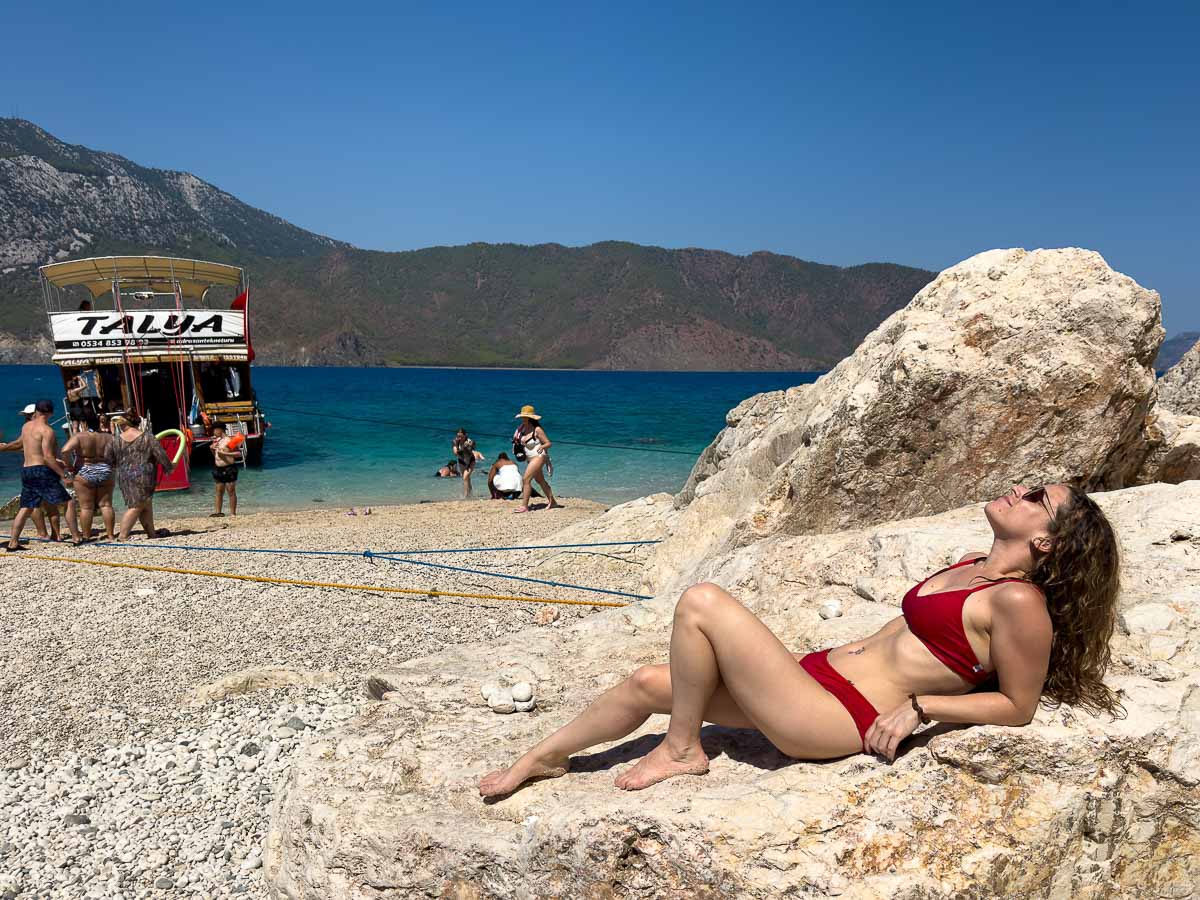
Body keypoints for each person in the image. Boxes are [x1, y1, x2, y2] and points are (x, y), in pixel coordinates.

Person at [479, 483, 1122, 798]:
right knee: (650, 682)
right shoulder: (968, 565)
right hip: (815, 679)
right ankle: (542, 758)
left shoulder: (1017, 601)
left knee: (703, 601)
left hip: (835, 718)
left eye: (1038, 498)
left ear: (1047, 541)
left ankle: (681, 750)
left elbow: (1018, 705)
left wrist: (925, 708)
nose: (1020, 489)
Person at [3, 400, 79, 550]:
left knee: (26, 508)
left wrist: (4, 447)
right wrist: (63, 475)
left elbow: (19, 444)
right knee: (68, 502)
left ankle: (13, 543)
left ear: (36, 411)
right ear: (50, 414)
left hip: (26, 470)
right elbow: (48, 458)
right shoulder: (47, 431)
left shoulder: (26, 427)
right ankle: (77, 538)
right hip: (41, 471)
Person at [112, 413, 175, 540]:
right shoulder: (148, 438)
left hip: (124, 475)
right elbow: (161, 455)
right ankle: (122, 536)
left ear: (124, 424)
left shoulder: (117, 440)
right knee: (137, 506)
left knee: (145, 504)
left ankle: (151, 534)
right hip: (144, 474)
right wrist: (170, 467)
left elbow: (112, 459)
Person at [61, 421, 116, 541]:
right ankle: (111, 535)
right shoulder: (109, 437)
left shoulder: (80, 436)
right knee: (106, 505)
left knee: (86, 507)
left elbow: (65, 451)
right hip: (105, 468)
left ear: (84, 424)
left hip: (85, 468)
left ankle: (86, 535)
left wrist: (69, 466)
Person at [512, 405, 561, 513]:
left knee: (526, 479)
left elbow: (549, 443)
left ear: (530, 418)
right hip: (529, 458)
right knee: (540, 480)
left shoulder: (537, 429)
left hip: (539, 456)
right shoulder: (522, 429)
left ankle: (524, 506)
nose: (523, 419)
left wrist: (542, 446)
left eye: (525, 417)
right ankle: (552, 502)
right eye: (522, 417)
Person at [209, 424, 240, 517]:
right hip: (218, 468)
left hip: (229, 467)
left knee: (231, 490)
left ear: (219, 430)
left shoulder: (229, 440)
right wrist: (212, 449)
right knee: (219, 491)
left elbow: (238, 453)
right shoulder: (218, 441)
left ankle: (233, 513)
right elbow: (216, 455)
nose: (213, 432)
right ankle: (218, 512)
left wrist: (225, 453)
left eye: (214, 430)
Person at [451, 428, 485, 499]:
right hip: (461, 461)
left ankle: (466, 496)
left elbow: (471, 450)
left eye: (461, 436)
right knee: (467, 479)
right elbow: (455, 453)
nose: (459, 438)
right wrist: (460, 446)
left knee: (465, 477)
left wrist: (468, 446)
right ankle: (470, 494)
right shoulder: (455, 441)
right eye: (458, 436)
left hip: (471, 461)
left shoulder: (470, 441)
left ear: (465, 435)